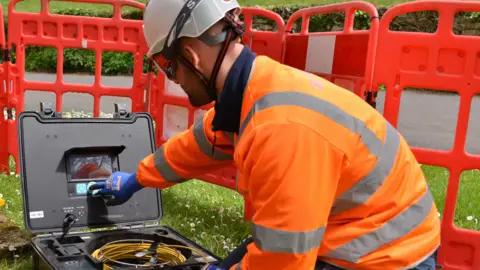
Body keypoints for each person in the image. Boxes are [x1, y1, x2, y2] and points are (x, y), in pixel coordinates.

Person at [89, 0, 441, 269]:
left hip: (389, 255)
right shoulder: (254, 91)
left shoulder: (281, 128)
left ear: (191, 56)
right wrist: (138, 178)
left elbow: (283, 260)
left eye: (169, 68)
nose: (174, 80)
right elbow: (200, 144)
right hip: (349, 229)